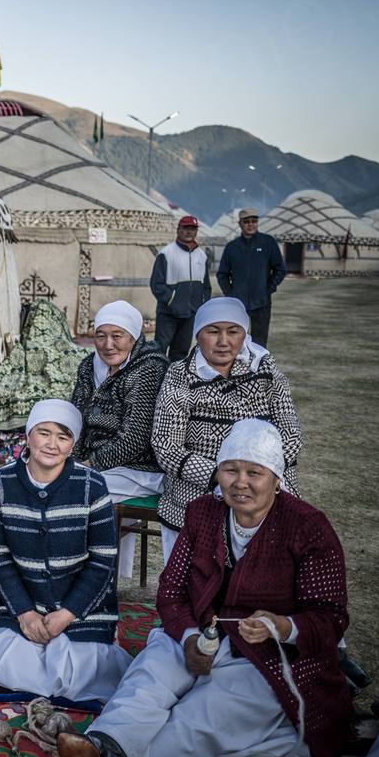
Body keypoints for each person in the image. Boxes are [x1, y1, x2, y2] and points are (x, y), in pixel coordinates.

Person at [56, 419, 351, 757]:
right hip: (200, 633)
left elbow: (331, 617)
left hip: (271, 657)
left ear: (277, 478)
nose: (240, 482)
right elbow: (172, 592)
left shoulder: (308, 528)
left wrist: (283, 625)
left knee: (201, 716)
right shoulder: (203, 513)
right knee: (149, 678)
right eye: (230, 469)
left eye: (254, 472)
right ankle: (107, 744)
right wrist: (191, 636)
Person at [0, 399, 132, 702]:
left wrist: (68, 613)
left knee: (80, 672)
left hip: (80, 606)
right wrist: (24, 613)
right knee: (12, 665)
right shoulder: (0, 484)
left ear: (73, 445)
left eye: (63, 437)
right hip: (24, 603)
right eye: (43, 433)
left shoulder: (93, 485)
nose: (51, 444)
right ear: (28, 435)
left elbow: (103, 561)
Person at [151, 297, 301, 565]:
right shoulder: (180, 375)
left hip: (265, 489)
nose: (223, 341)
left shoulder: (265, 369)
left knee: (261, 583)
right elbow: (166, 446)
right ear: (198, 335)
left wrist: (262, 475)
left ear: (245, 334)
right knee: (193, 584)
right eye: (213, 331)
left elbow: (291, 434)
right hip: (199, 491)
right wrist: (222, 478)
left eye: (233, 331)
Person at [71, 300, 168, 577]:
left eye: (118, 336)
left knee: (76, 491)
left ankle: (92, 575)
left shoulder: (149, 367)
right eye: (101, 335)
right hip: (96, 464)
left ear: (134, 337)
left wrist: (87, 465)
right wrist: (72, 459)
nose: (108, 344)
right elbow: (76, 418)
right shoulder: (89, 365)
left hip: (139, 468)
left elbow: (136, 438)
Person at [217, 209, 286, 346]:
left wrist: (268, 289)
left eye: (254, 221)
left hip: (261, 302)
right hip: (237, 304)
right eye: (246, 222)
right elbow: (222, 274)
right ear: (240, 224)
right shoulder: (232, 247)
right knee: (236, 341)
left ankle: (257, 367)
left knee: (259, 343)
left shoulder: (268, 243)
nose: (250, 225)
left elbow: (280, 269)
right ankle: (238, 367)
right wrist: (230, 294)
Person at [150, 215, 212, 360]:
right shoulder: (166, 254)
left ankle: (174, 381)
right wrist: (171, 300)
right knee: (160, 349)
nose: (189, 232)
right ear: (178, 230)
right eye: (186, 228)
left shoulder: (201, 256)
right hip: (168, 313)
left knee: (181, 352)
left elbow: (206, 285)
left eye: (193, 229)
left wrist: (201, 304)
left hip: (190, 314)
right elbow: (156, 284)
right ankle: (156, 380)